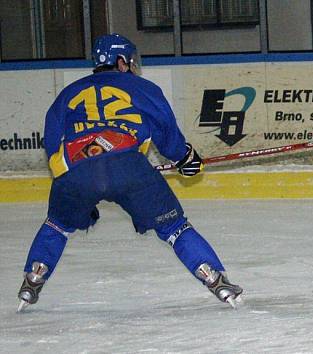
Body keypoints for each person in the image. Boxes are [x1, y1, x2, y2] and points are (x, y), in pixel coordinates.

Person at [17, 33, 242, 311]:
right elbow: (166, 134)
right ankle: (214, 277)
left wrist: (79, 192)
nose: (134, 66)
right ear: (121, 61)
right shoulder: (142, 87)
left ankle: (34, 277)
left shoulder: (67, 94)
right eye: (131, 61)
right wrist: (186, 159)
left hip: (74, 169)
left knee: (57, 225)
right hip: (129, 166)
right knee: (174, 227)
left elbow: (51, 144)